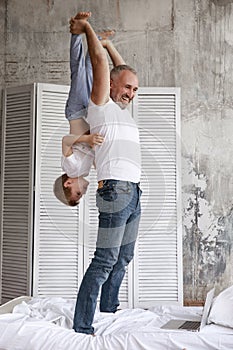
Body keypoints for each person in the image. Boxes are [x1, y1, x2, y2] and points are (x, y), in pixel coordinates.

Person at [69, 13, 142, 335]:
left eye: (135, 89)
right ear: (110, 85)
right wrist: (87, 31)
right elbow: (100, 63)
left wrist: (112, 44)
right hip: (115, 190)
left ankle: (109, 311)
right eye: (127, 87)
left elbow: (120, 67)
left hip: (135, 190)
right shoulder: (100, 105)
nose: (131, 93)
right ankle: (82, 325)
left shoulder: (125, 110)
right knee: (104, 260)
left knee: (124, 257)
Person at [53, 12, 125, 206]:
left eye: (77, 194)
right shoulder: (83, 171)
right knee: (91, 70)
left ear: (68, 183)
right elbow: (94, 153)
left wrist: (88, 139)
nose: (82, 193)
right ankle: (98, 41)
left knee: (78, 72)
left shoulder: (72, 168)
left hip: (76, 111)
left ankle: (77, 32)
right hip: (89, 111)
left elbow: (66, 140)